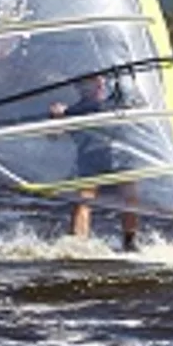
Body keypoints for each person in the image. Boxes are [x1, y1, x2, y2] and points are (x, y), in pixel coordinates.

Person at [49, 72, 140, 251]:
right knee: (83, 200)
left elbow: (131, 100)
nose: (85, 87)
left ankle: (130, 243)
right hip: (91, 163)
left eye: (89, 83)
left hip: (121, 159)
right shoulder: (74, 110)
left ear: (100, 83)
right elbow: (53, 137)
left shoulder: (115, 102)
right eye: (81, 85)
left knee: (130, 197)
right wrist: (55, 118)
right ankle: (77, 244)